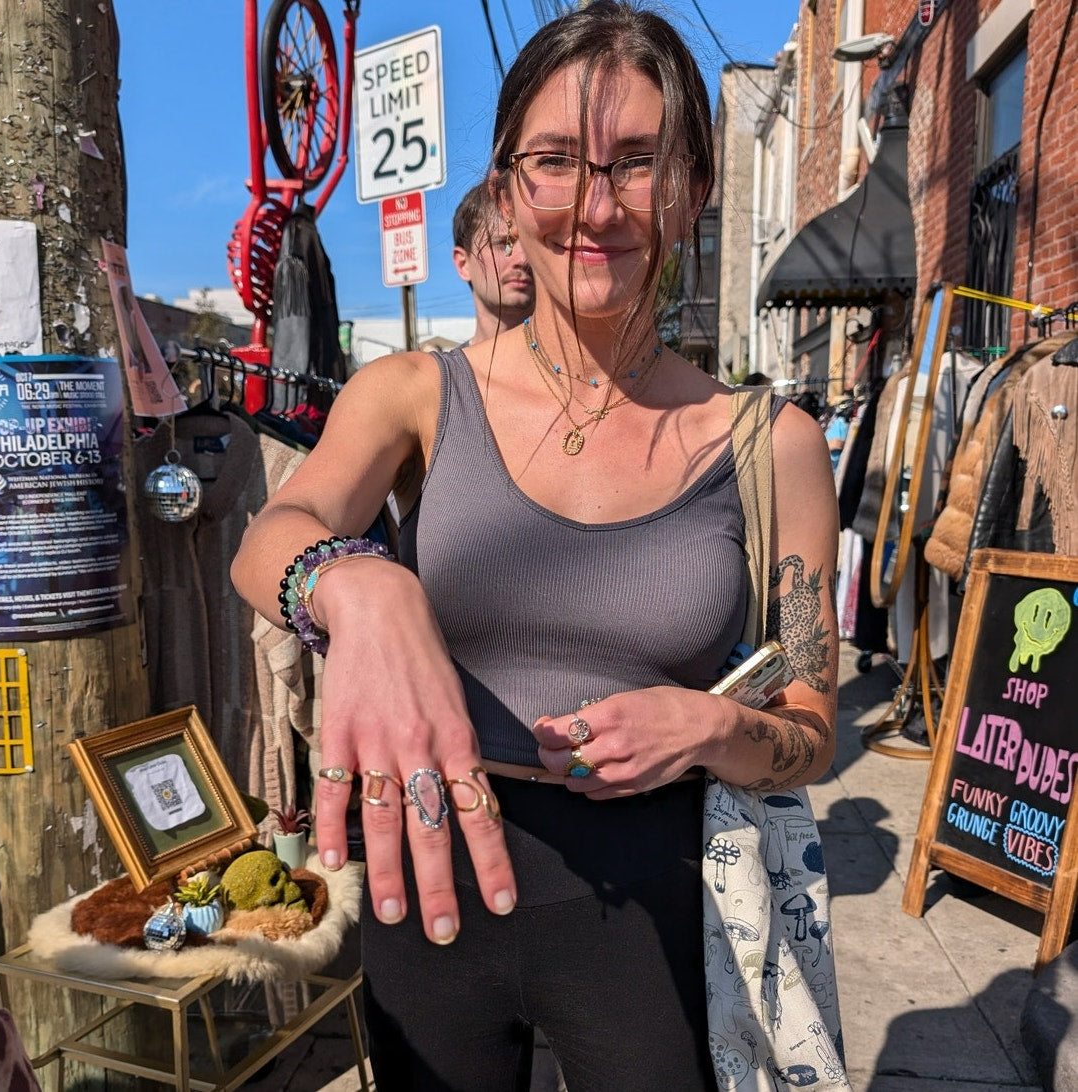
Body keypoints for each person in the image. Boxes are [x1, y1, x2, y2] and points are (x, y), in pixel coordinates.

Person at [230, 2, 840, 1087]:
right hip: (432, 871)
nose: (594, 207)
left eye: (636, 163)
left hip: (659, 895)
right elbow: (272, 535)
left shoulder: (773, 442)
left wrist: (705, 726)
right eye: (555, 162)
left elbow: (811, 722)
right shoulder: (417, 393)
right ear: (508, 191)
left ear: (694, 185)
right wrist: (361, 589)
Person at [451, 180, 535, 345]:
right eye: (504, 244)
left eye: (531, 243)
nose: (523, 259)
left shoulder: (581, 365)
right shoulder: (444, 371)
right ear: (463, 264)